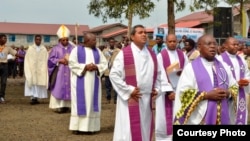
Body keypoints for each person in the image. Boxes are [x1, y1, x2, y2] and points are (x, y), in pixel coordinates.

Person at [109, 25, 166, 141]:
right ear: (132, 37)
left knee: (144, 129)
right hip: (131, 98)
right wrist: (129, 90)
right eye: (140, 32)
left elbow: (160, 75)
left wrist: (157, 89)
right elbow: (114, 75)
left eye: (145, 32)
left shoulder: (152, 54)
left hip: (146, 99)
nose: (144, 34)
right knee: (128, 130)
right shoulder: (124, 54)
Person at [173, 34, 238, 125]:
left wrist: (228, 93)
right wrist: (206, 95)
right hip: (200, 119)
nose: (212, 46)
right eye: (208, 44)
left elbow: (234, 86)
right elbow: (183, 93)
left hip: (223, 116)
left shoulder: (224, 66)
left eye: (215, 44)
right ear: (199, 47)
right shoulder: (191, 68)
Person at [68, 33, 108, 134]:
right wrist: (85, 67)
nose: (96, 42)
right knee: (79, 104)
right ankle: (77, 128)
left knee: (91, 104)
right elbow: (72, 63)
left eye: (95, 40)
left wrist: (96, 67)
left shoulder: (98, 51)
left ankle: (90, 128)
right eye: (93, 40)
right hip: (79, 81)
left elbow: (104, 63)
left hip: (94, 82)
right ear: (86, 41)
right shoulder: (76, 50)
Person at [155, 33, 188, 141]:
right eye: (170, 41)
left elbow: (188, 71)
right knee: (165, 118)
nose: (172, 43)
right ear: (166, 42)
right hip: (166, 93)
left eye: (174, 41)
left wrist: (182, 73)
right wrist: (169, 92)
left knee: (180, 114)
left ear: (177, 41)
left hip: (180, 90)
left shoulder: (182, 55)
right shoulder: (161, 56)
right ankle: (165, 138)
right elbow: (160, 75)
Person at [217, 37, 250, 124]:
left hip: (240, 94)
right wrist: (236, 84)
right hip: (227, 94)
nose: (236, 46)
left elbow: (247, 73)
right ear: (226, 46)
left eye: (237, 44)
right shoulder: (219, 59)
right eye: (233, 44)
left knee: (239, 117)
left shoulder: (241, 59)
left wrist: (246, 81)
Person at [48, 25, 74, 113]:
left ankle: (68, 106)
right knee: (59, 86)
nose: (65, 41)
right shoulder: (55, 49)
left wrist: (70, 60)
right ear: (60, 40)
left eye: (67, 39)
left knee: (70, 86)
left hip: (70, 71)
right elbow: (50, 60)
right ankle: (59, 106)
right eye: (63, 40)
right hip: (60, 71)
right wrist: (60, 60)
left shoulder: (73, 48)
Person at [24, 35, 49, 105]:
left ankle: (37, 97)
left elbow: (46, 59)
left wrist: (45, 67)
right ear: (34, 40)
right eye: (37, 39)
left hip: (41, 69)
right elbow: (27, 59)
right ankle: (33, 97)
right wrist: (28, 68)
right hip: (32, 69)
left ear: (41, 40)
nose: (38, 41)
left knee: (39, 83)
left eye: (39, 40)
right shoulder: (30, 49)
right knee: (33, 83)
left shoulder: (44, 49)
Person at [0, 34, 18, 103]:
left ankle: (2, 97)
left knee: (4, 82)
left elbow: (15, 54)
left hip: (4, 66)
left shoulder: (8, 48)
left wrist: (25, 56)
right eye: (3, 38)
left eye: (6, 38)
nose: (5, 40)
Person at [102, 38, 120, 104]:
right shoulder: (104, 51)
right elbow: (102, 60)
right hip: (107, 71)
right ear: (108, 43)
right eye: (110, 42)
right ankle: (108, 97)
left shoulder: (118, 51)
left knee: (115, 86)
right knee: (108, 86)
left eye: (113, 42)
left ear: (115, 43)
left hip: (115, 71)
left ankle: (116, 99)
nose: (112, 43)